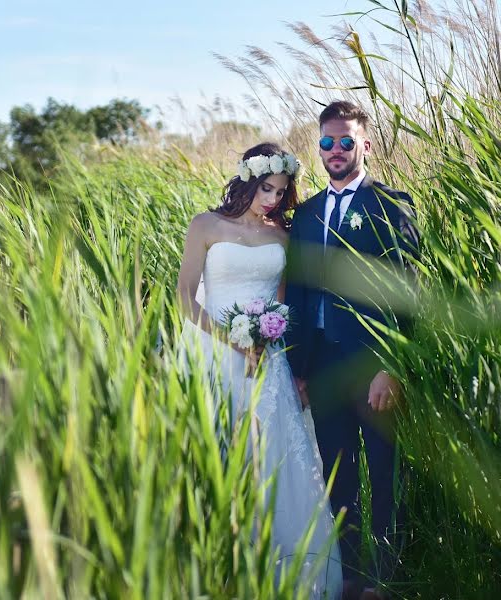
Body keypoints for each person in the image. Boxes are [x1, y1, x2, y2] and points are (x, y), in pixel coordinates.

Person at [176, 142, 343, 599]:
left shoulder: (284, 238)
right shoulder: (206, 226)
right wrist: (231, 338)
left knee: (273, 458)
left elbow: (283, 305)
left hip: (266, 361)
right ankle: (215, 568)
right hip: (212, 351)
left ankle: (280, 572)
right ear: (247, 180)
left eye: (281, 191)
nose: (271, 199)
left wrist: (269, 342)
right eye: (265, 188)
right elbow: (185, 298)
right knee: (218, 449)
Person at [284, 101, 420, 599]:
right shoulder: (307, 213)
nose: (335, 151)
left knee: (384, 472)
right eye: (327, 142)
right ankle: (350, 577)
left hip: (371, 365)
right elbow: (297, 291)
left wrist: (392, 365)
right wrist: (296, 368)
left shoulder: (391, 205)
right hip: (320, 368)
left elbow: (406, 291)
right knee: (337, 477)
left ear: (365, 145)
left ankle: (387, 578)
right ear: (318, 147)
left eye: (346, 141)